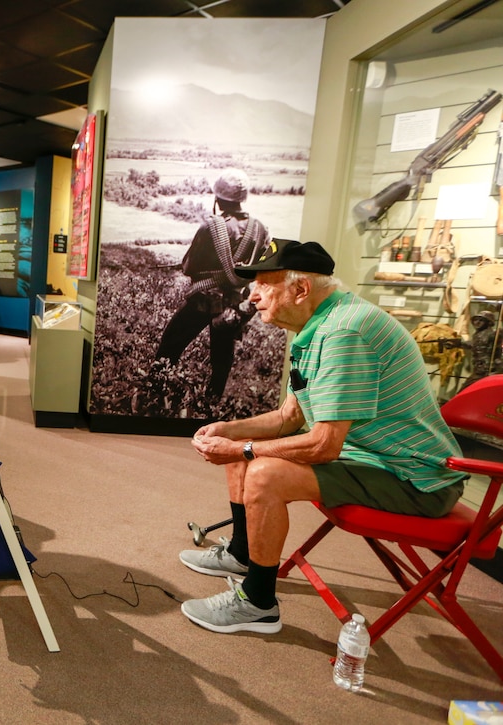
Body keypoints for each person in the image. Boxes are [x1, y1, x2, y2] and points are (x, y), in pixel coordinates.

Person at [180, 239, 465, 635]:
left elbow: (322, 445)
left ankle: (258, 603)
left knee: (263, 473)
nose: (252, 294)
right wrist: (228, 432)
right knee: (241, 456)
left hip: (414, 478)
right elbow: (288, 417)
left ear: (301, 289)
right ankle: (243, 554)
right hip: (368, 458)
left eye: (264, 284)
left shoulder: (346, 332)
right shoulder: (316, 328)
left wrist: (242, 447)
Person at [153, 169, 271, 400]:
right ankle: (212, 404)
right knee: (222, 356)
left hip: (204, 300)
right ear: (243, 198)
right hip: (235, 303)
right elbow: (261, 268)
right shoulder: (260, 229)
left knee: (171, 344)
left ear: (218, 198)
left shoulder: (211, 227)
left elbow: (189, 266)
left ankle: (155, 393)